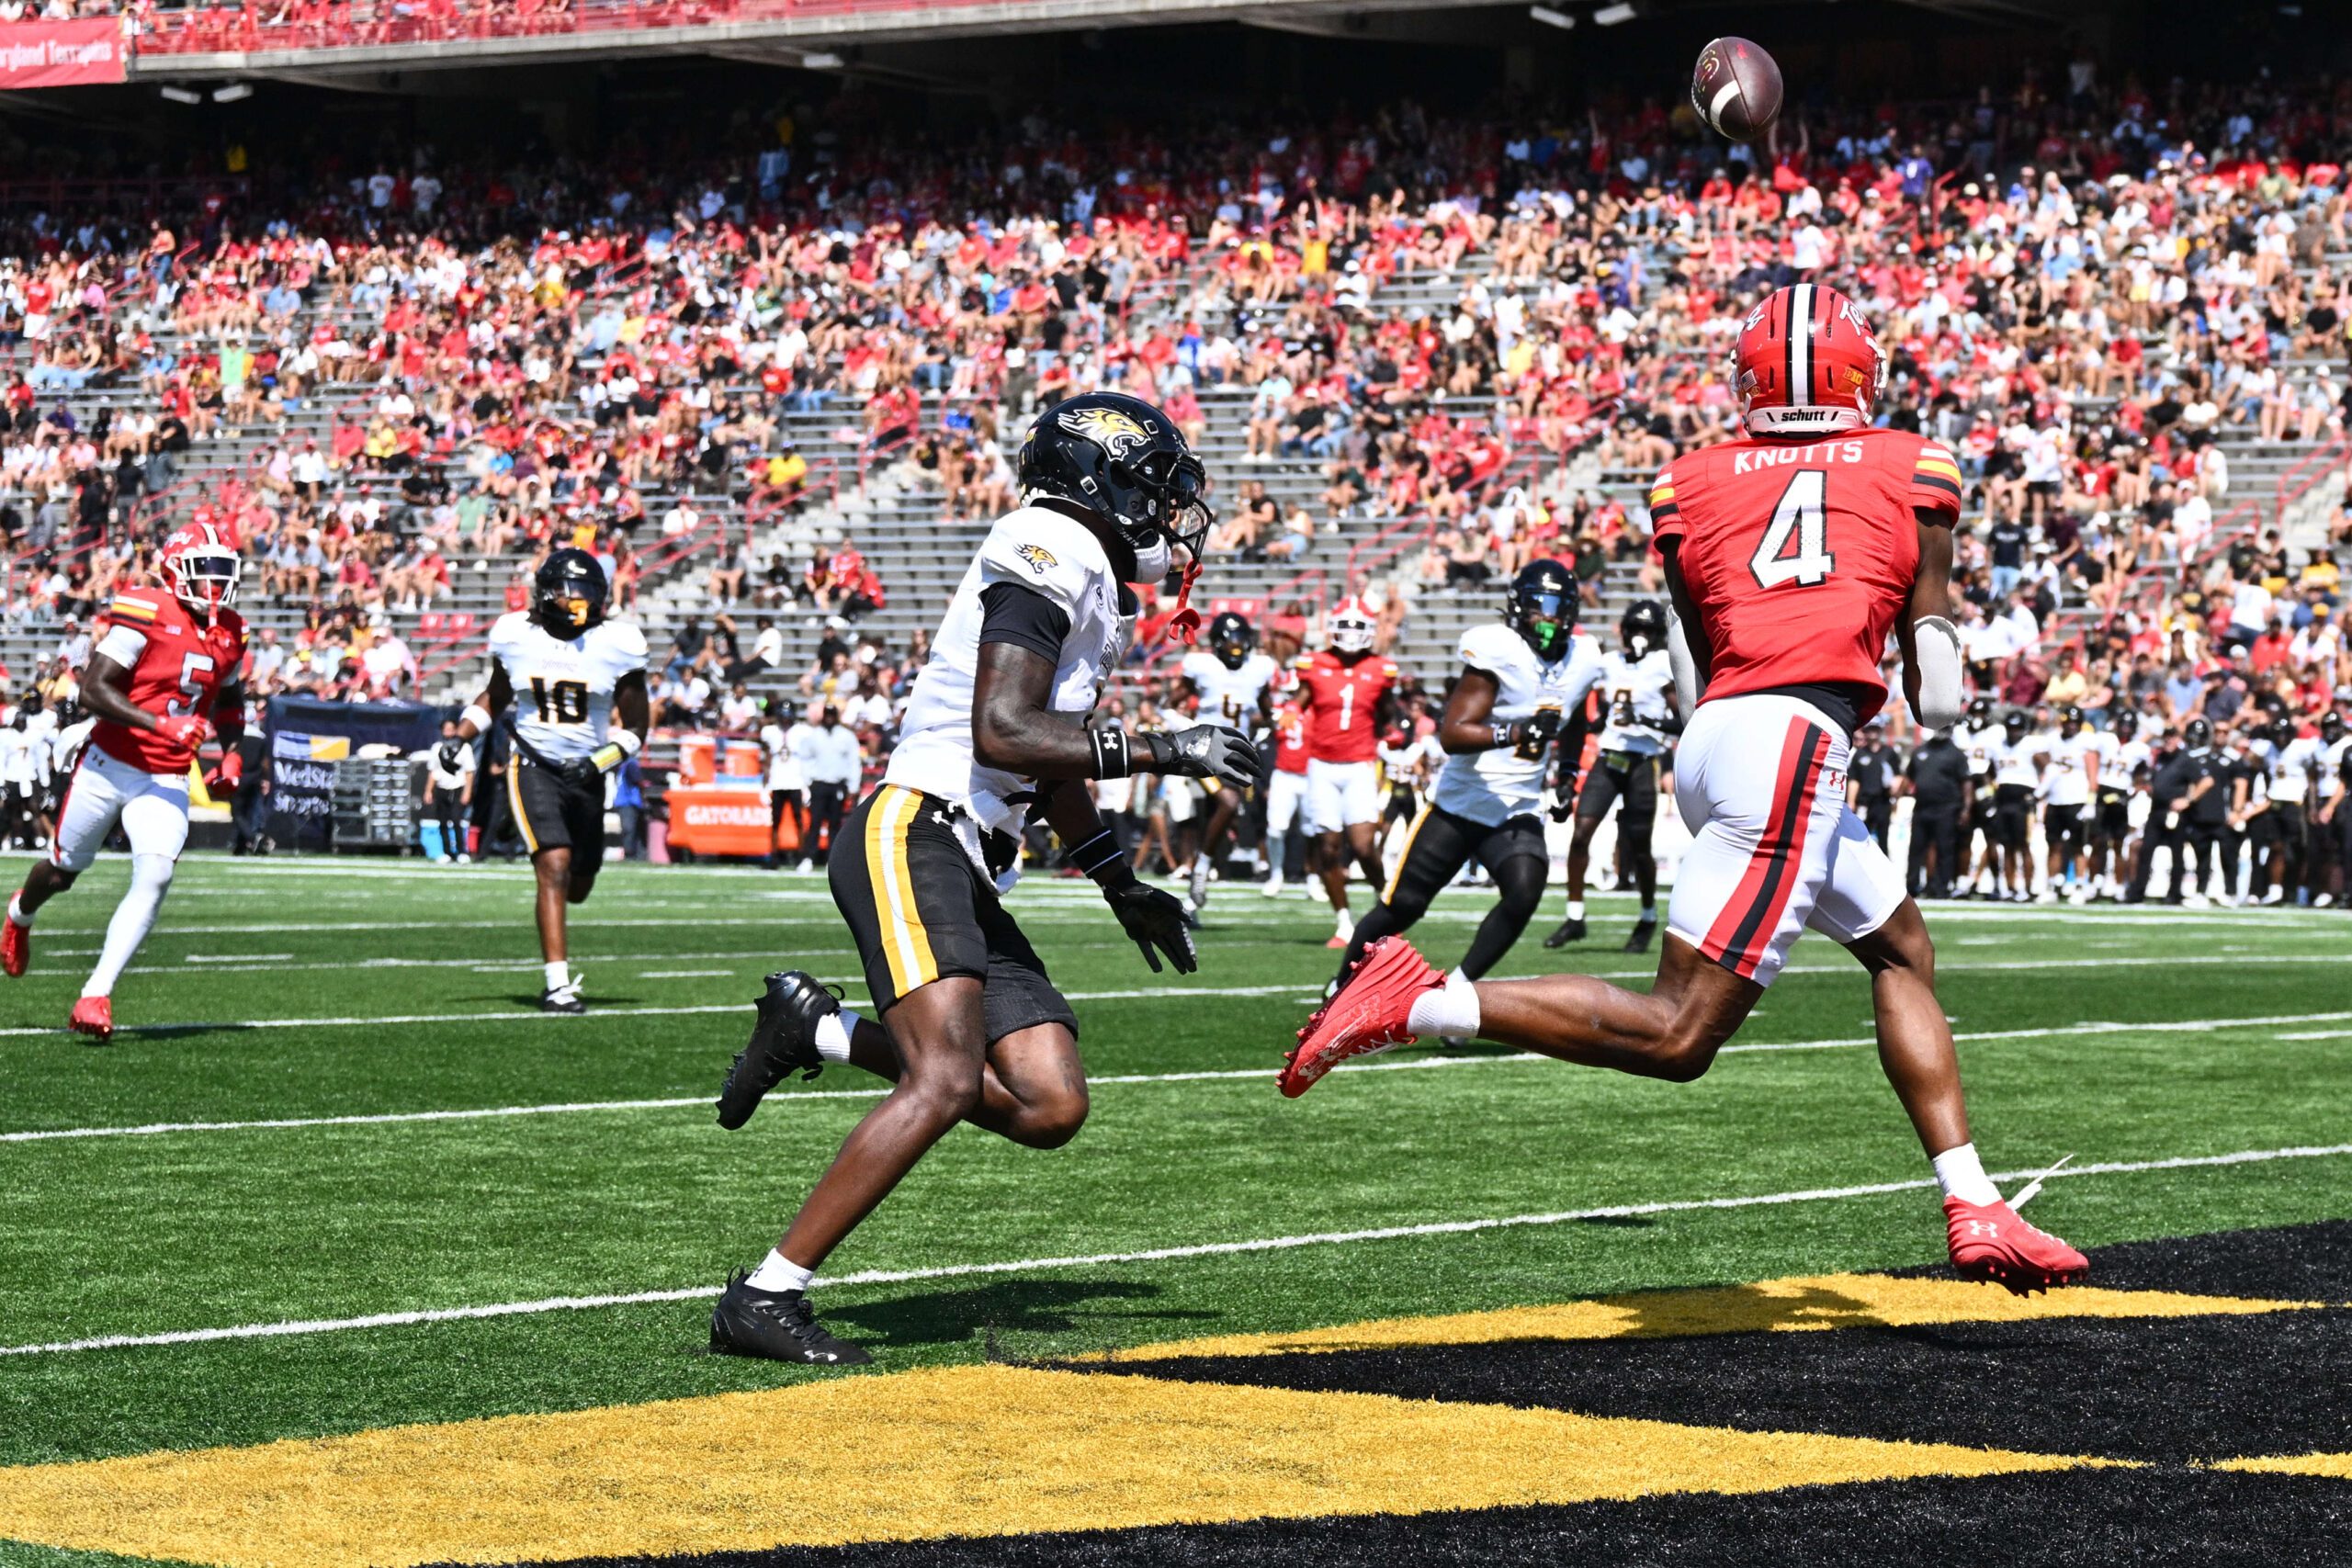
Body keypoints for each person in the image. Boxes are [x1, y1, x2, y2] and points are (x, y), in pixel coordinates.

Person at [1282, 283, 2087, 1295]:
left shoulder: (1691, 482)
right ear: (1860, 375)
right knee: (1676, 1035)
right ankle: (1423, 1003)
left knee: (1900, 949)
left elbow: (1696, 661)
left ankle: (1974, 1203)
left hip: (1721, 739)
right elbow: (1937, 702)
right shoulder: (1909, 464)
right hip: (1795, 745)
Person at [707, 390, 1258, 1364]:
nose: (1168, 515)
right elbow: (1000, 728)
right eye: (1154, 487)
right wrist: (1170, 747)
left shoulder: (1084, 573)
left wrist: (1117, 880)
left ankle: (820, 1030)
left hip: (965, 855)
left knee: (1049, 1104)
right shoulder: (1050, 541)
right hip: (914, 828)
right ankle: (764, 1293)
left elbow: (1050, 759)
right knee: (948, 1077)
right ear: (1104, 478)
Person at [2, 522, 250, 1040]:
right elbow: (93, 690)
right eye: (202, 573)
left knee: (156, 875)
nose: (213, 586)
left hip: (165, 774)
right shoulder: (147, 611)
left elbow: (229, 700)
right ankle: (20, 915)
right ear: (173, 573)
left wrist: (230, 756)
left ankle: (95, 993)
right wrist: (162, 723)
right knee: (63, 871)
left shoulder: (231, 630)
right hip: (109, 763)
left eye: (220, 574)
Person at [1333, 558, 1601, 1007]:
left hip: (1515, 809)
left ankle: (1455, 993)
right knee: (1403, 907)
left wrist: (1569, 774)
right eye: (1539, 606)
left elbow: (1572, 718)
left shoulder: (1585, 658)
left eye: (1558, 607)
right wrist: (1514, 732)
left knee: (1524, 892)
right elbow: (1453, 733)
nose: (1548, 617)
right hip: (1459, 805)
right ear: (1518, 608)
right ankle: (1338, 991)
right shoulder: (1498, 649)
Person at [446, 547, 650, 1013]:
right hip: (533, 764)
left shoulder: (617, 643)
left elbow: (638, 728)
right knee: (553, 865)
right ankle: (557, 986)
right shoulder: (516, 635)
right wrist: (461, 735)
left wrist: (599, 762)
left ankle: (538, 852)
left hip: (587, 771)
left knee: (579, 883)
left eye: (587, 593)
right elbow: (496, 696)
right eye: (570, 591)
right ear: (546, 593)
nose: (578, 601)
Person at [1551, 597, 1676, 953]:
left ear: (1656, 635)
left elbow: (1683, 718)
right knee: (1581, 832)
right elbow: (1603, 704)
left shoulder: (1662, 664)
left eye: (1645, 630)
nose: (1638, 635)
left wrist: (1648, 721)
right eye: (1633, 628)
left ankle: (1648, 917)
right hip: (1609, 756)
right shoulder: (1609, 663)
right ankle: (1575, 916)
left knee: (1638, 848)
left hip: (1643, 760)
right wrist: (1599, 718)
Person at [1295, 598, 1400, 947]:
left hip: (1359, 764)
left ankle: (1388, 906)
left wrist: (1396, 730)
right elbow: (1301, 699)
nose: (1352, 634)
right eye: (1347, 626)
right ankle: (1343, 922)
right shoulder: (1316, 663)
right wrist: (1286, 711)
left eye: (1359, 627)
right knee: (1328, 847)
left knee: (1364, 846)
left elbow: (1389, 711)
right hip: (1321, 765)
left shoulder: (1381, 669)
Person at [1176, 610, 1277, 910]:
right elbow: (1170, 704)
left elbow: (1266, 710)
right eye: (1230, 642)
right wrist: (1184, 731)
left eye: (1240, 642)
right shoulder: (1202, 666)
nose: (1236, 648)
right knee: (1228, 805)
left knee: (1218, 818)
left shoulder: (1258, 669)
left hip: (1235, 755)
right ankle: (1201, 870)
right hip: (1204, 752)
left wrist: (1273, 721)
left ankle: (1192, 899)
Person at [2034, 705, 2099, 904]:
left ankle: (2079, 885)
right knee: (2053, 845)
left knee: (2078, 845)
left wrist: (2090, 802)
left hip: (2077, 800)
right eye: (2068, 722)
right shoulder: (2053, 739)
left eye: (2075, 723)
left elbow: (2093, 774)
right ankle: (2051, 885)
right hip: (2055, 799)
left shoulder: (2086, 741)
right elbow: (2039, 755)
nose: (2071, 726)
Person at [1905, 727, 1970, 897]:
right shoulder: (1920, 751)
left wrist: (1966, 808)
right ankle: (1912, 885)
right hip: (1922, 806)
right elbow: (1909, 777)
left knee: (1944, 848)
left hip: (1946, 807)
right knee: (1916, 848)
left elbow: (1966, 782)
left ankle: (1940, 887)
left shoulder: (1956, 754)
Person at [759, 701, 808, 871]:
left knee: (799, 820)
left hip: (795, 781)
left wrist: (806, 784)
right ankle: (773, 857)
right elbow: (766, 760)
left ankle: (802, 856)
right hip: (777, 781)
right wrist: (765, 786)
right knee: (776, 822)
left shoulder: (802, 731)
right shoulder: (770, 732)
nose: (786, 721)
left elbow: (808, 759)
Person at [422, 716, 474, 863]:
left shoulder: (464, 748)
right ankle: (446, 852)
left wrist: (467, 791)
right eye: (446, 728)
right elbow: (433, 771)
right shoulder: (437, 748)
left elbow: (469, 772)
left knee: (457, 819)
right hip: (442, 787)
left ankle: (462, 851)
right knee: (443, 821)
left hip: (458, 787)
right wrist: (428, 790)